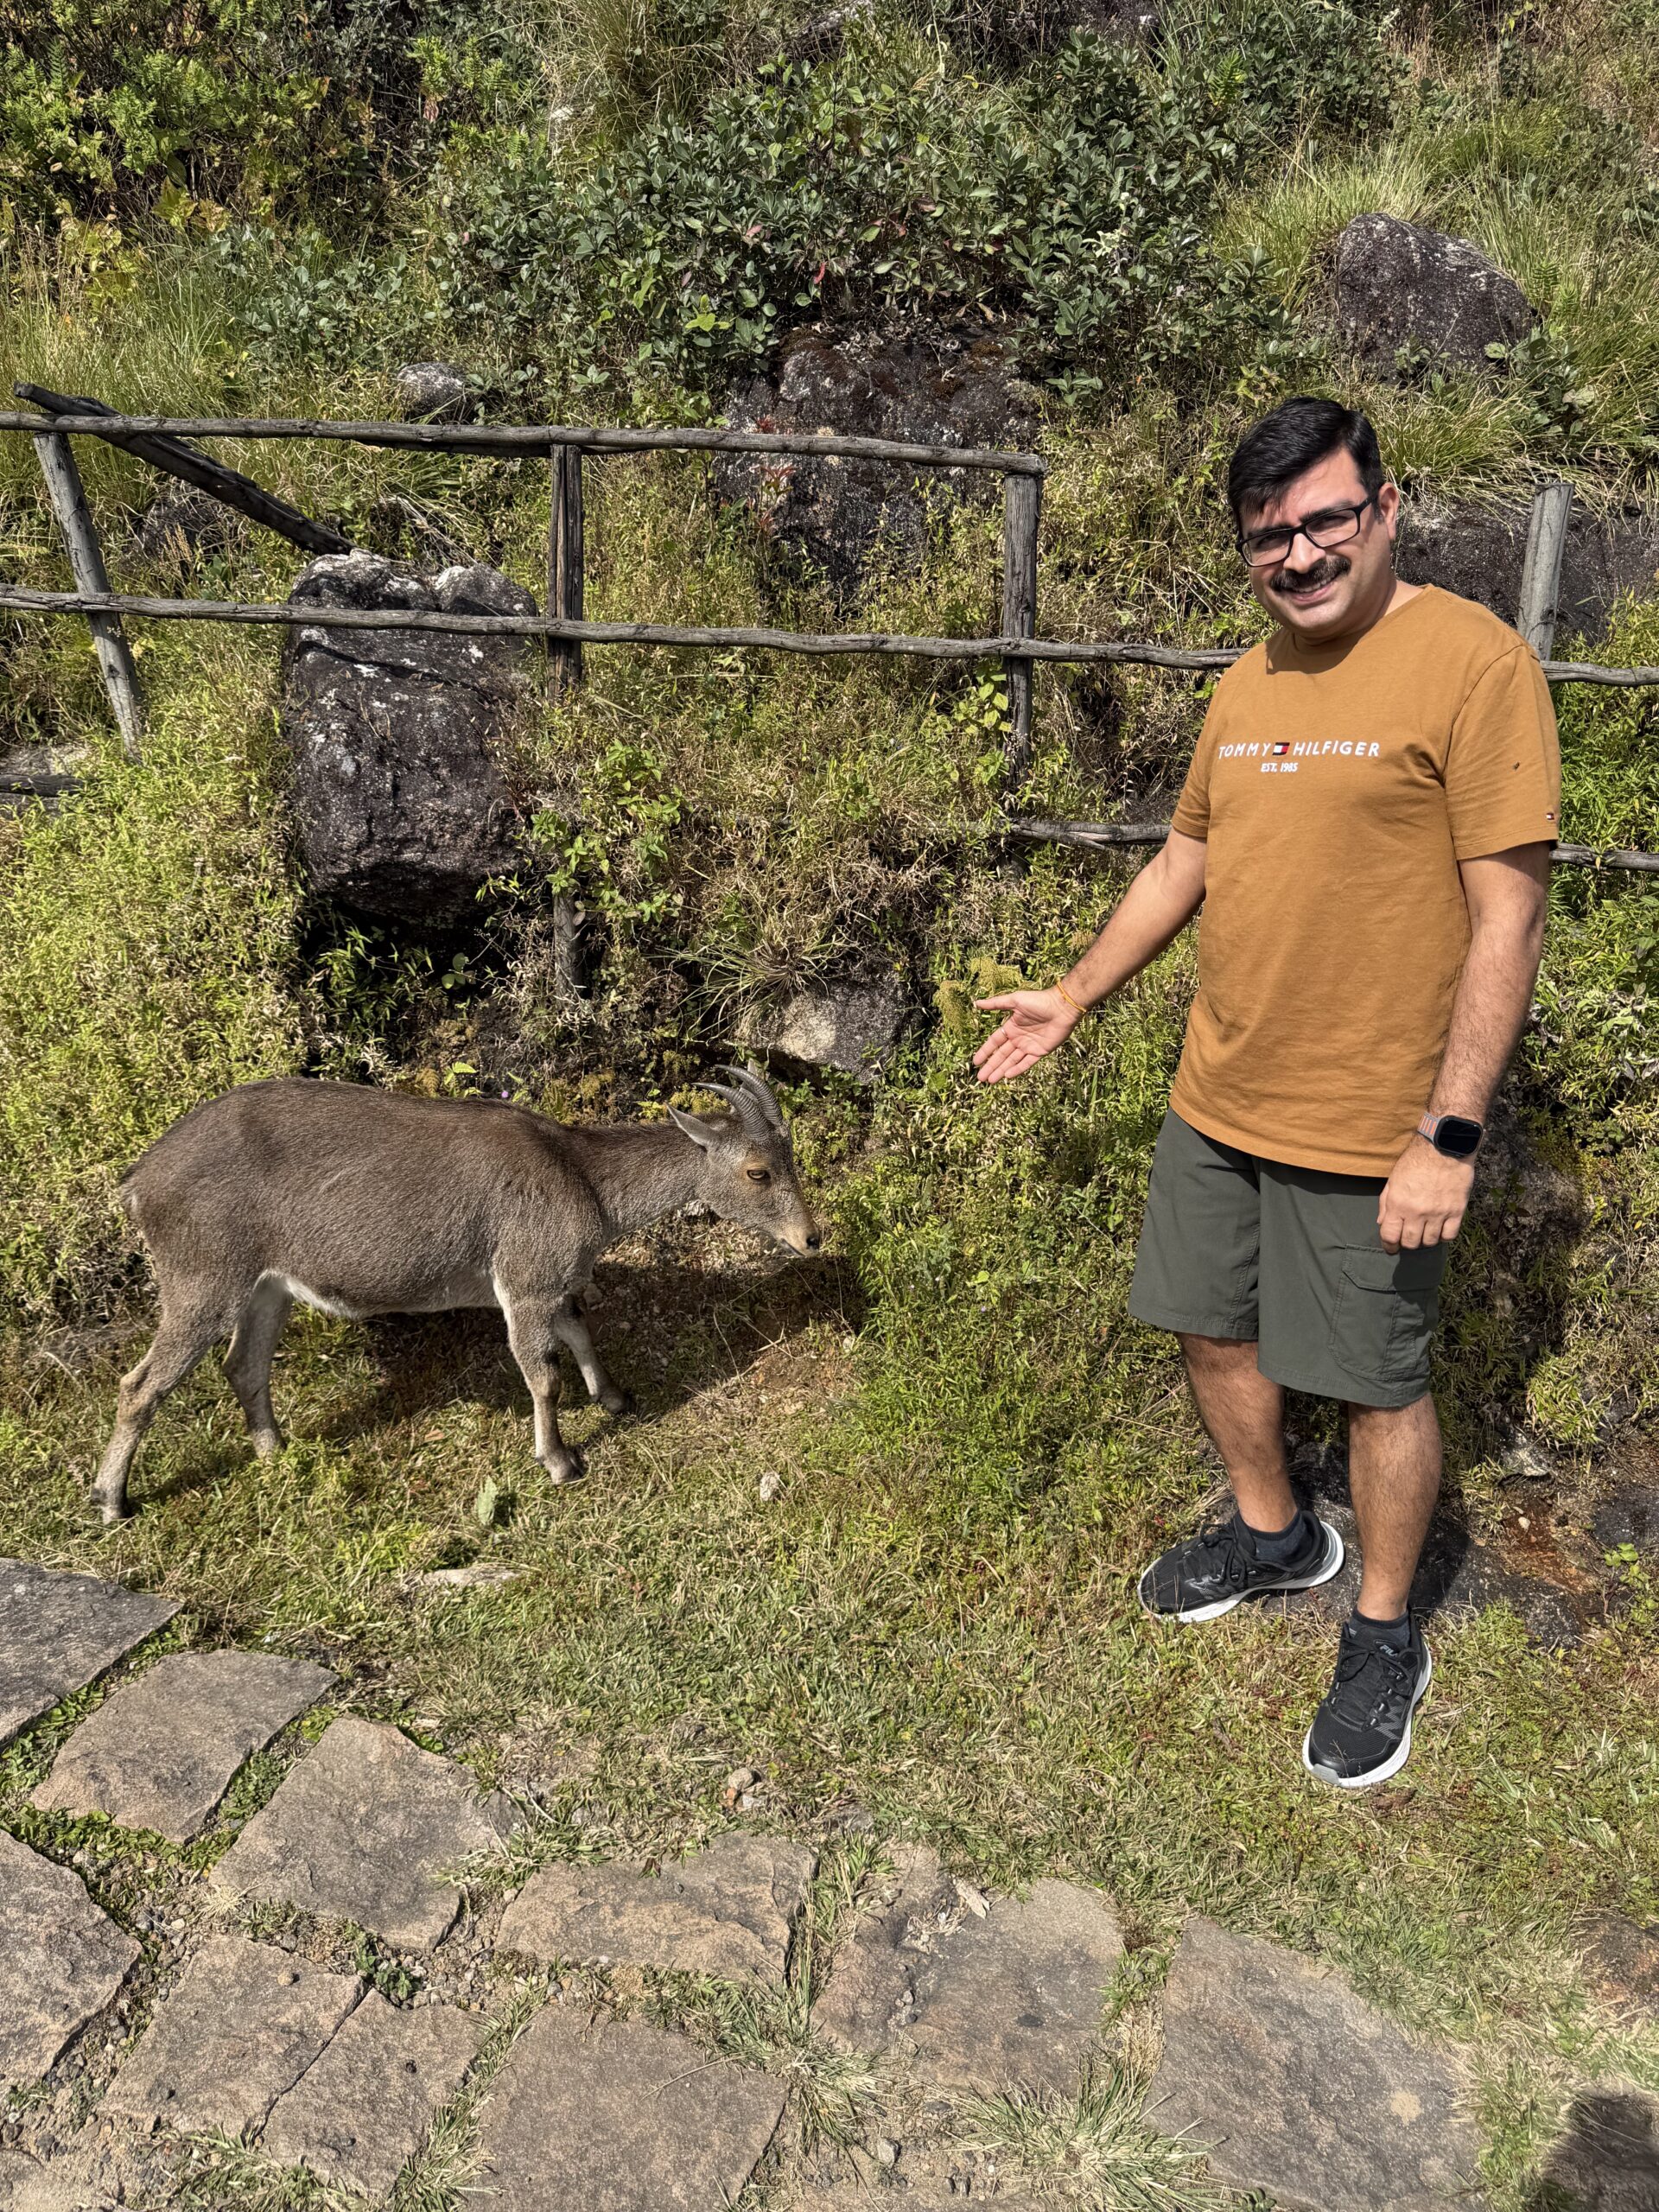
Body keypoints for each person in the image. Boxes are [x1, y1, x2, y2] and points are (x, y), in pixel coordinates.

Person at [972, 396, 1560, 1789]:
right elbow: (1187, 861)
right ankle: (1276, 1533)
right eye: (1268, 537)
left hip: (1377, 1127)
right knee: (1210, 1332)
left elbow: (1509, 920)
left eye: (1323, 521)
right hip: (1219, 1099)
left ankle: (1381, 1629)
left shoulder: (1475, 667)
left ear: (1386, 508)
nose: (1298, 555)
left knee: (1373, 1386)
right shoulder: (1247, 684)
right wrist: (1075, 992)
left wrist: (1449, 1137)